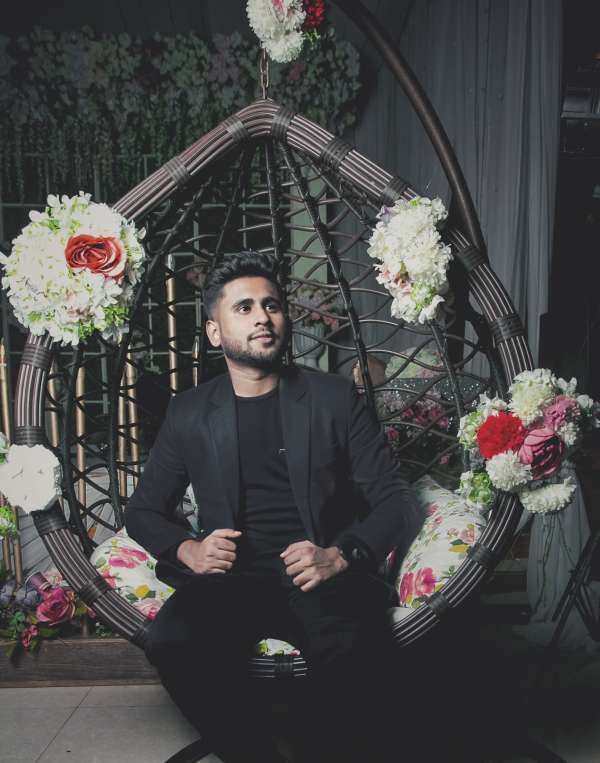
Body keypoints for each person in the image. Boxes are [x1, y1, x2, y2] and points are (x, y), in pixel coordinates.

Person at [125, 251, 423, 763]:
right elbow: (143, 511)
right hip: (231, 580)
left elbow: (396, 499)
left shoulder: (333, 399)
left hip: (321, 576)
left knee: (356, 660)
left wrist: (340, 555)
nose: (263, 317)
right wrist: (189, 549)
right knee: (171, 641)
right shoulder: (190, 412)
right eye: (244, 308)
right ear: (215, 332)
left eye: (272, 305)